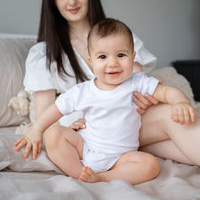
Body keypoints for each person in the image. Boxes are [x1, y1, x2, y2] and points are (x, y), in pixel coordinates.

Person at [17, 0, 200, 168]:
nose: (71, 2)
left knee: (177, 116)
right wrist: (69, 129)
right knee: (171, 130)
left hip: (130, 125)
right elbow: (46, 114)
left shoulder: (119, 36)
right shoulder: (43, 53)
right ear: (52, 1)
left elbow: (138, 83)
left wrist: (150, 100)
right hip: (88, 135)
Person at [14, 18, 195, 184]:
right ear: (91, 62)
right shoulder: (84, 91)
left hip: (122, 156)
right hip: (86, 148)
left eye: (121, 55)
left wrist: (181, 102)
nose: (112, 63)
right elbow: (56, 109)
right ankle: (79, 173)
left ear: (133, 57)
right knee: (54, 134)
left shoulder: (137, 82)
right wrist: (37, 129)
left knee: (150, 165)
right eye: (103, 57)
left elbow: (167, 92)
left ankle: (103, 177)